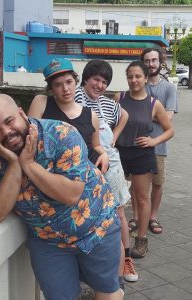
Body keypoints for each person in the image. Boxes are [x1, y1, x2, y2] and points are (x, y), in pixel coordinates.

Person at [0, 94, 123, 300]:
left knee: (107, 292)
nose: (6, 132)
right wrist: (15, 165)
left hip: (97, 227)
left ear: (21, 113)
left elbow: (71, 194)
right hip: (48, 241)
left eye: (9, 121)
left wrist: (28, 164)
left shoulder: (61, 134)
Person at [74, 59, 138, 285]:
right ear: (86, 79)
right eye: (96, 79)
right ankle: (90, 266)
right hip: (83, 164)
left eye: (104, 81)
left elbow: (125, 116)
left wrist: (113, 138)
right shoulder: (74, 97)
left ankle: (126, 259)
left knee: (118, 212)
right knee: (87, 213)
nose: (99, 85)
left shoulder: (107, 103)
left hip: (110, 161)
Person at [115, 61, 174, 258]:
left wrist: (154, 140)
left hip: (142, 154)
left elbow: (170, 130)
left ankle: (141, 239)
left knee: (142, 198)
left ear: (146, 78)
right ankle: (115, 237)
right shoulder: (119, 97)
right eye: (130, 76)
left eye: (138, 76)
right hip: (119, 153)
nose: (134, 80)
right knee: (115, 198)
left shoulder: (153, 103)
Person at [139, 48, 177, 234]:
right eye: (147, 61)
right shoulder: (138, 85)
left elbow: (168, 118)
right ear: (143, 63)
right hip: (136, 144)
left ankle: (152, 217)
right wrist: (157, 115)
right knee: (137, 183)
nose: (151, 64)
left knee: (158, 183)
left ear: (160, 62)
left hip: (159, 144)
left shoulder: (169, 88)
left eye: (154, 60)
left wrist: (147, 114)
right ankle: (137, 217)